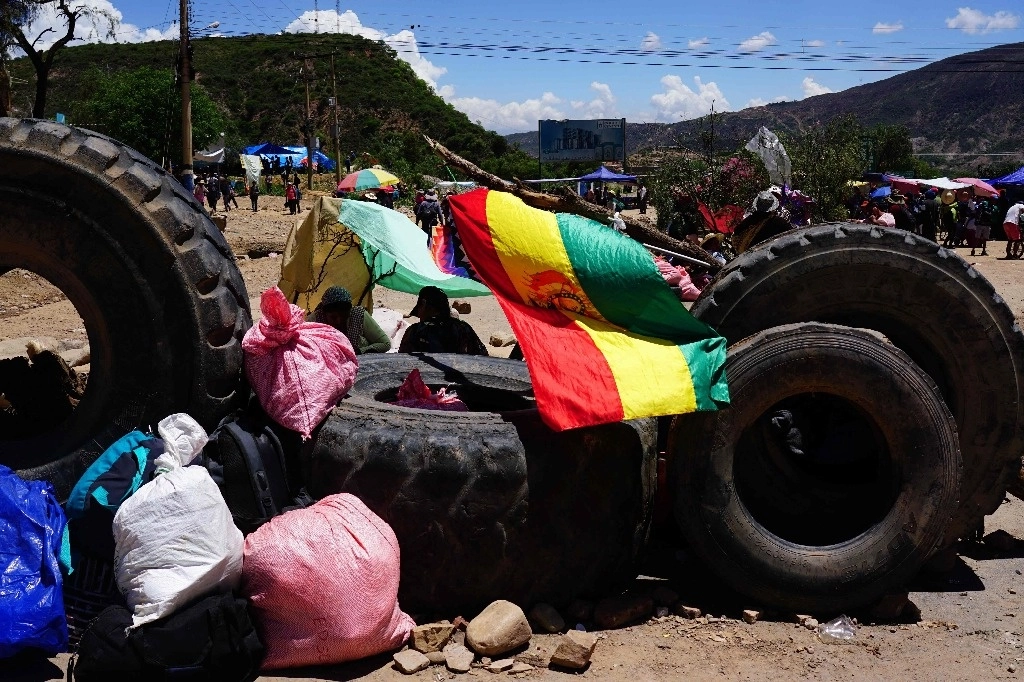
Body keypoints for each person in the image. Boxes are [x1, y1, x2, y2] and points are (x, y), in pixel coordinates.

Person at [399, 286, 488, 355]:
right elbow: (482, 356)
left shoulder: (415, 331)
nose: (419, 316)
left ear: (423, 304)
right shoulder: (464, 328)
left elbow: (402, 361)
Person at [309, 286, 391, 354]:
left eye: (344, 316)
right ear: (325, 313)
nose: (339, 321)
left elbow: (385, 343)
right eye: (333, 317)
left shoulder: (358, 315)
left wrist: (360, 351)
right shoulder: (315, 320)